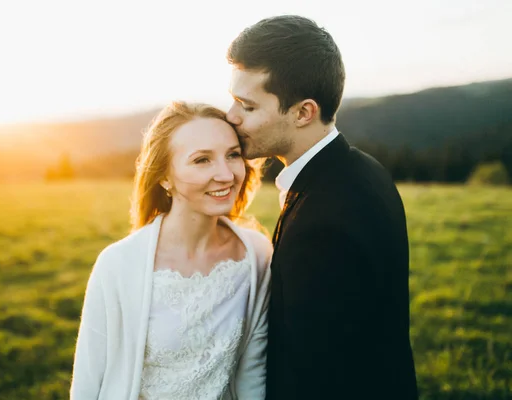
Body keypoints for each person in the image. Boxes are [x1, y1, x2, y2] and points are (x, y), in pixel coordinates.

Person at [226, 15, 418, 399]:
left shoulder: (323, 221)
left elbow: (315, 370)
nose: (231, 117)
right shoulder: (364, 169)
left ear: (303, 112)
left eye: (246, 106)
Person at [70, 101, 272, 400]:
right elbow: (87, 385)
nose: (227, 175)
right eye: (202, 160)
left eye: (233, 155)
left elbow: (253, 372)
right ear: (165, 177)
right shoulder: (117, 265)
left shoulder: (256, 255)